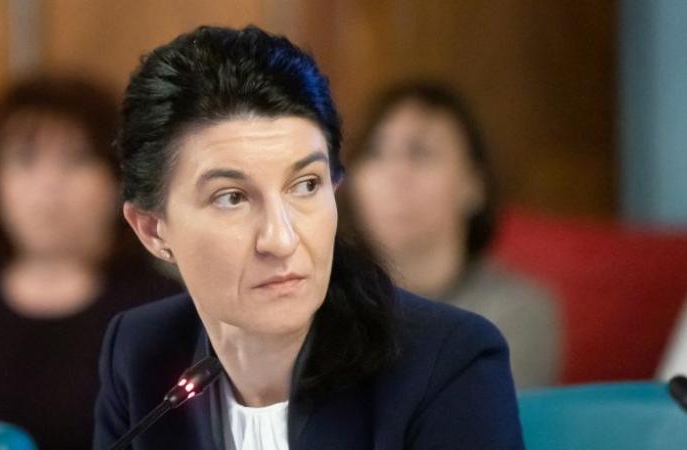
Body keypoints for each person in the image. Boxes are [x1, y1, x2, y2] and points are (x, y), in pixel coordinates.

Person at [93, 26, 524, 449]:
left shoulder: (446, 362)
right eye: (232, 197)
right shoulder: (140, 352)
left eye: (306, 185)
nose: (281, 239)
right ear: (152, 229)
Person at [0, 77, 181, 450]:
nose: (48, 184)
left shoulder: (163, 313)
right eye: (24, 159)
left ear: (118, 180)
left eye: (76, 159)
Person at [342, 82, 560, 389]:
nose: (395, 174)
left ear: (474, 185)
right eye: (374, 152)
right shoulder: (323, 303)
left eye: (420, 153)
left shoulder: (517, 311)